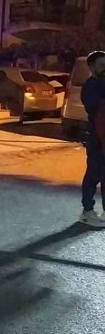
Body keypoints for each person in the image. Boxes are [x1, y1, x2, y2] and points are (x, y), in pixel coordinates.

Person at [78, 50, 105, 227]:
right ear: (91, 67)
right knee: (94, 174)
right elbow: (95, 109)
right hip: (96, 137)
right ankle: (87, 211)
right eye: (101, 65)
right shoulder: (90, 87)